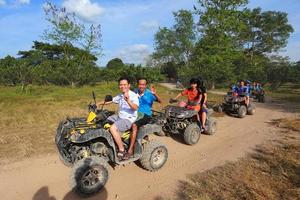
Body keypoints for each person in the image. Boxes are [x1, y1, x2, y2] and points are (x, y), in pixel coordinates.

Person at [97, 77, 139, 160]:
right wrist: (99, 103)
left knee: (112, 128)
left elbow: (135, 108)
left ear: (129, 85)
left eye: (124, 84)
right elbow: (111, 100)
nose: (122, 86)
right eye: (121, 85)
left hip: (128, 119)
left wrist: (128, 101)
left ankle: (121, 149)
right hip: (119, 117)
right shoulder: (120, 95)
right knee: (104, 121)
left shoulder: (133, 95)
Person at [123, 78, 162, 160]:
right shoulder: (135, 91)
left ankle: (130, 151)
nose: (141, 86)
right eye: (140, 84)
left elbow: (160, 101)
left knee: (134, 125)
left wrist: (155, 94)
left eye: (143, 84)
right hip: (135, 113)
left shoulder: (149, 93)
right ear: (138, 84)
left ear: (145, 85)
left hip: (146, 114)